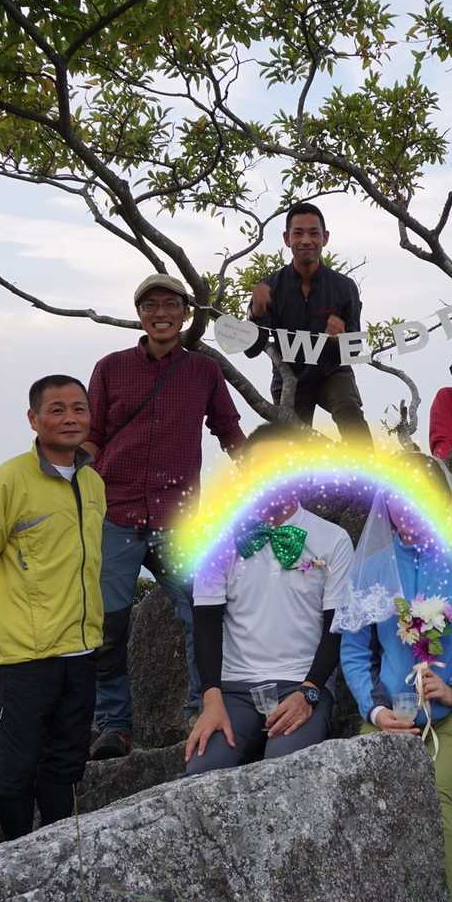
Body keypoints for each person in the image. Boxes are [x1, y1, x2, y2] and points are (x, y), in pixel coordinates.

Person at [336, 458, 452, 902]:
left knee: (433, 794)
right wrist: (375, 710)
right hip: (390, 714)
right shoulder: (372, 566)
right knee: (365, 796)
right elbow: (354, 650)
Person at [84, 272, 246, 760]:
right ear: (139, 314)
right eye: (151, 306)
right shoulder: (111, 368)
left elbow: (228, 428)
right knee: (108, 624)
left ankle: (203, 710)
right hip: (116, 512)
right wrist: (65, 481)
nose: (161, 314)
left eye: (171, 305)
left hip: (178, 518)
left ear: (185, 313)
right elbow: (92, 437)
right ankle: (113, 725)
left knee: (203, 611)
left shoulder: (203, 371)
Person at [0, 375, 107, 840]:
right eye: (57, 409)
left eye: (79, 408)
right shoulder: (5, 482)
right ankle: (16, 851)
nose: (70, 418)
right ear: (33, 419)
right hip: (24, 652)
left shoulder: (93, 482)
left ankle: (56, 848)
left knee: (66, 760)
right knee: (13, 766)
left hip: (81, 646)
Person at [182, 427, 356, 775]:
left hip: (302, 684)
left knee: (284, 769)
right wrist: (211, 698)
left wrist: (310, 692)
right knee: (202, 769)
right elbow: (205, 623)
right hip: (234, 689)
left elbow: (337, 625)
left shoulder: (333, 539)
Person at [249, 203, 373, 443]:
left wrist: (340, 339)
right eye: (298, 233)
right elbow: (252, 349)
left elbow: (354, 348)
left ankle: (368, 464)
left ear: (325, 238)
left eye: (313, 233)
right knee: (292, 444)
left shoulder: (344, 287)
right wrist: (256, 313)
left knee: (350, 412)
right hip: (289, 376)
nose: (306, 240)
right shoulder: (269, 287)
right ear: (287, 239)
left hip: (332, 372)